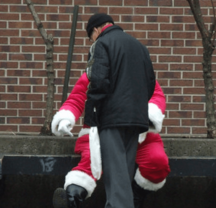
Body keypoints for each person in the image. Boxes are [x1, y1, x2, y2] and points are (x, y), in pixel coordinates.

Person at [52, 13, 165, 208]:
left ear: (96, 30)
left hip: (110, 120)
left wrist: (95, 109)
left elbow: (96, 83)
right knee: (124, 171)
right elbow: (150, 85)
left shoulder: (102, 44)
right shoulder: (139, 47)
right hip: (136, 123)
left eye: (91, 37)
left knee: (115, 171)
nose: (92, 41)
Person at [51, 73, 170, 208]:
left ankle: (135, 199)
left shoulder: (141, 71)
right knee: (93, 159)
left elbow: (156, 96)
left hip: (139, 135)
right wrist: (66, 118)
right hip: (100, 133)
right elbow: (77, 98)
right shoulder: (93, 73)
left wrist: (148, 116)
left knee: (157, 161)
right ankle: (72, 198)